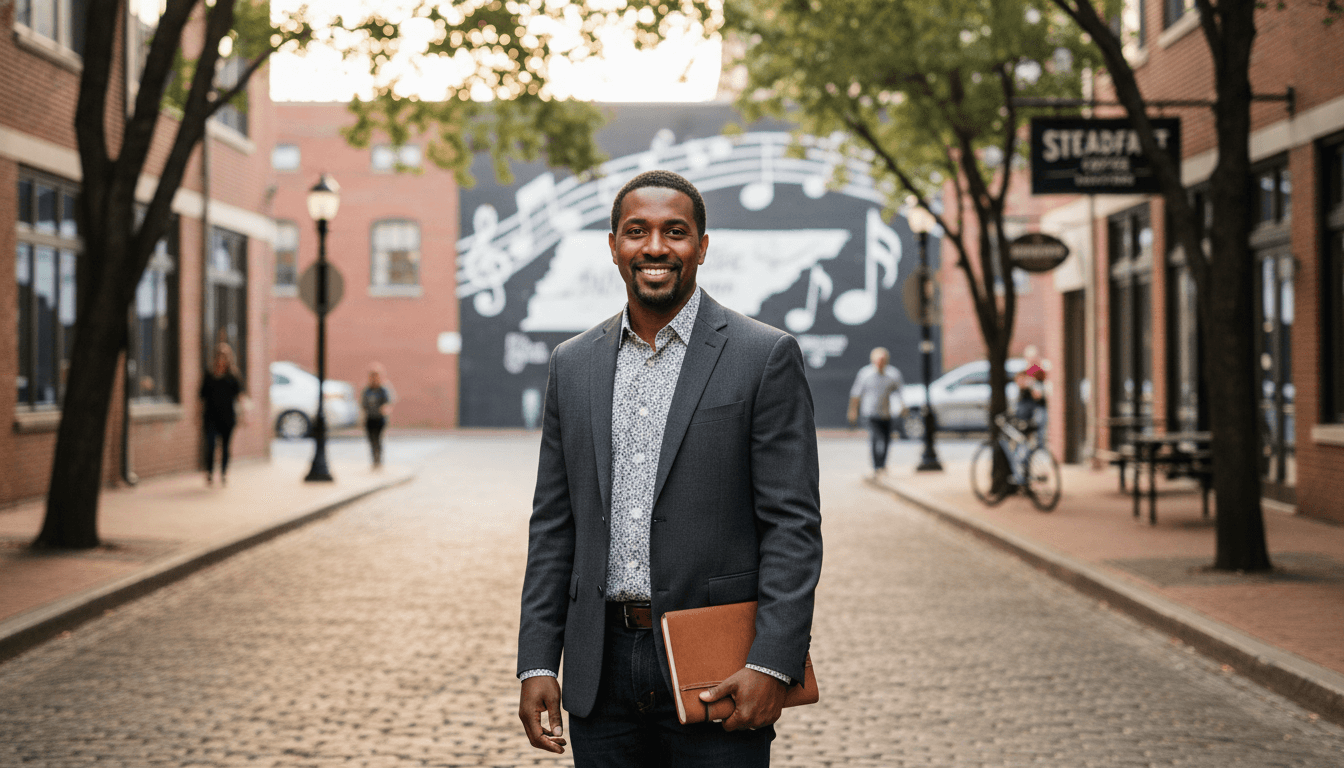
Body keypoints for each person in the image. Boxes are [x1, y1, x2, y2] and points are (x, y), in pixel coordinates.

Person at [517, 170, 823, 767]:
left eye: (675, 231)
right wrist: (536, 660)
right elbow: (553, 527)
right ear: (613, 246)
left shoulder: (764, 356)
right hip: (598, 671)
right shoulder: (571, 364)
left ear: (702, 246)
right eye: (637, 231)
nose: (655, 247)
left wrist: (772, 662)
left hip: (718, 666)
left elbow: (793, 527)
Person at [847, 347, 907, 476]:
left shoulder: (893, 374)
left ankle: (882, 464)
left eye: (883, 360)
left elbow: (900, 392)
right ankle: (876, 466)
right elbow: (856, 394)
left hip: (886, 413)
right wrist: (853, 411)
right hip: (870, 413)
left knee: (886, 439)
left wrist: (903, 407)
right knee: (875, 438)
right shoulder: (865, 374)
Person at [200, 342, 244, 487]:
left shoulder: (233, 376)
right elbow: (201, 396)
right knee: (211, 445)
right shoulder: (209, 374)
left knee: (225, 447)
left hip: (227, 417)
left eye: (224, 356)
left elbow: (240, 397)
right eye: (219, 356)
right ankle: (210, 472)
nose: (221, 359)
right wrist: (197, 415)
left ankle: (224, 473)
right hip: (210, 416)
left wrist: (242, 415)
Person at [361, 364, 395, 468]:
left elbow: (389, 402)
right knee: (371, 440)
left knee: (378, 439)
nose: (374, 378)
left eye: (376, 375)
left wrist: (385, 409)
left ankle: (379, 459)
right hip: (370, 418)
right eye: (372, 375)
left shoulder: (383, 389)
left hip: (380, 419)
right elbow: (363, 404)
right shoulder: (367, 390)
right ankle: (374, 459)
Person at [1014, 345, 1048, 437]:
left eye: (1035, 359)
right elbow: (1020, 385)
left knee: (1041, 422)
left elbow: (1039, 395)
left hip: (1039, 407)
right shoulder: (1023, 373)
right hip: (1026, 409)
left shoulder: (1041, 373)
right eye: (1031, 359)